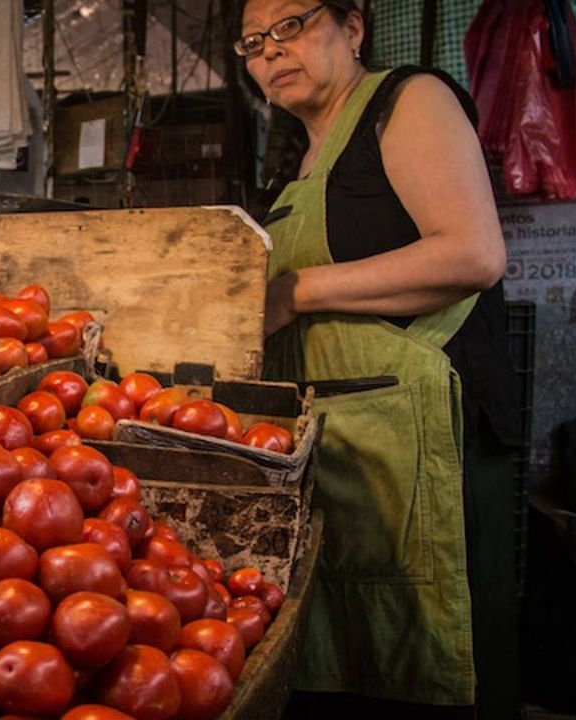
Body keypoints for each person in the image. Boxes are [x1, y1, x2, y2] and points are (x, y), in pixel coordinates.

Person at [236, 0, 522, 717]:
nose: (270, 51)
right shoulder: (300, 161)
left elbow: (474, 252)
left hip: (427, 440)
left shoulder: (408, 100)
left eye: (290, 26)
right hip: (350, 443)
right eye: (252, 43)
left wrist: (295, 290)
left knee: (438, 649)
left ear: (354, 28)